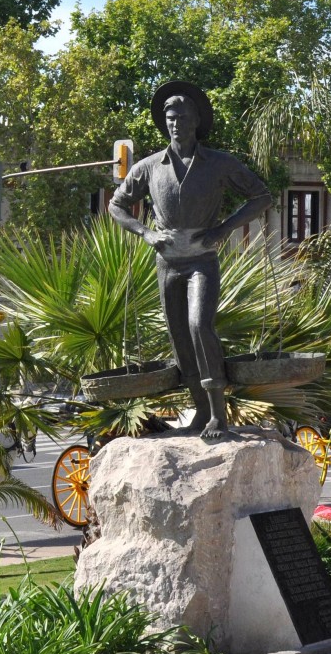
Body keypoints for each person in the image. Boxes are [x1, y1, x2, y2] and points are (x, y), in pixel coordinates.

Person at [109, 81, 272, 438]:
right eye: (169, 117)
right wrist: (146, 233)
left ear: (197, 120)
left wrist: (225, 228)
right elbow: (116, 205)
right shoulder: (150, 167)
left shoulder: (218, 164)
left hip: (202, 259)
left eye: (182, 116)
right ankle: (200, 411)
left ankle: (218, 415)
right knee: (179, 337)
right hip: (167, 262)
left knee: (200, 326)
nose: (175, 123)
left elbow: (262, 196)